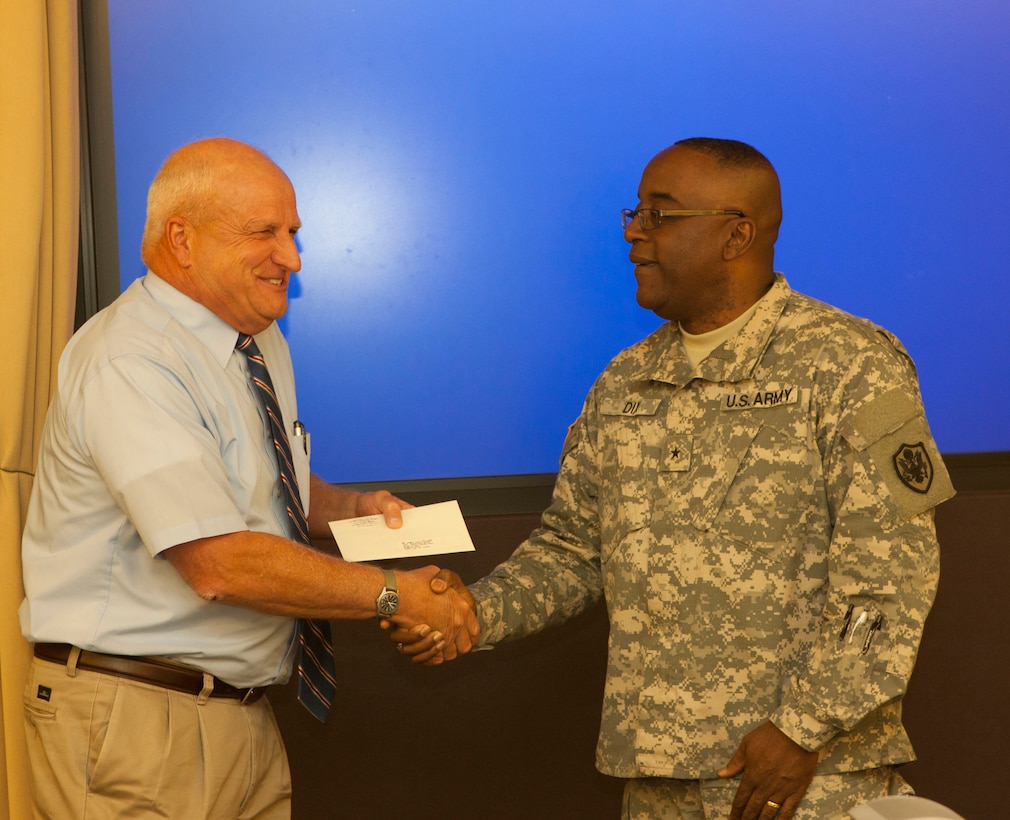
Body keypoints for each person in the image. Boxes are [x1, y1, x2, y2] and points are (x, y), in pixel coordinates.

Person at [393, 138, 954, 820]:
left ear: (736, 233)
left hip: (800, 780)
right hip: (657, 780)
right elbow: (572, 551)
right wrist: (473, 614)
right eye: (634, 213)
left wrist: (806, 726)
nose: (634, 232)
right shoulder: (624, 381)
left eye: (660, 215)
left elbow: (891, 578)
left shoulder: (852, 365)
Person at [19, 137, 478, 819]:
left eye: (292, 233)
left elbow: (259, 482)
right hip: (137, 721)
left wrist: (352, 506)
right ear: (182, 239)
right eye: (266, 233)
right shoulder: (131, 360)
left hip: (237, 713)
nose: (291, 259)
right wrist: (396, 596)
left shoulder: (257, 340)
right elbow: (218, 562)